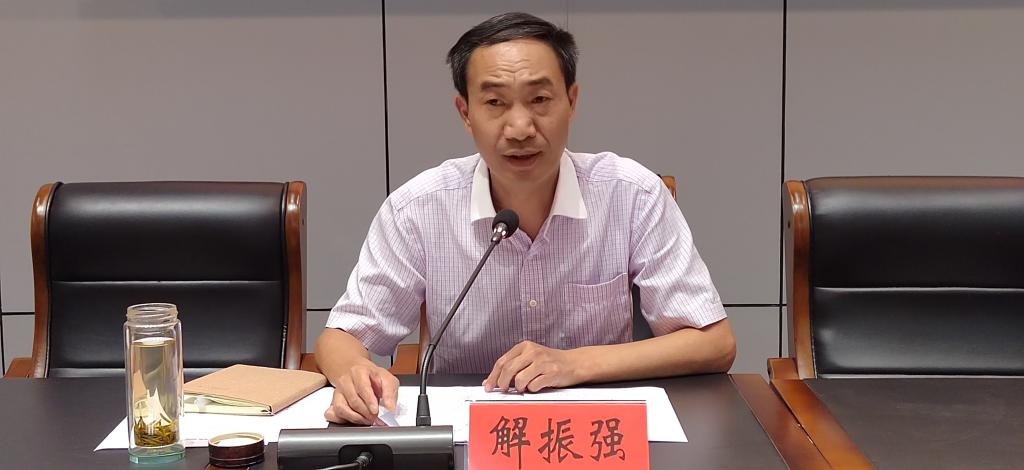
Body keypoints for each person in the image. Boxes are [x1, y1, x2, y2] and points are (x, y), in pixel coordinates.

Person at [316, 12, 736, 425]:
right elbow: (341, 337)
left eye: (539, 100)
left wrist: (574, 364)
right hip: (468, 431)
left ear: (571, 102)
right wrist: (354, 373)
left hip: (595, 432)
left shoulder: (632, 195)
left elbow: (714, 343)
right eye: (495, 103)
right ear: (465, 113)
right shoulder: (417, 209)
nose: (520, 127)